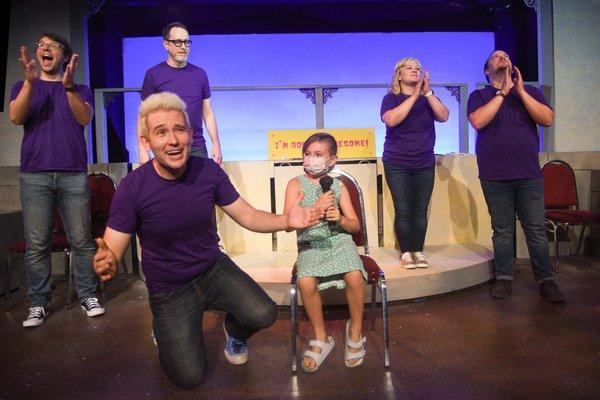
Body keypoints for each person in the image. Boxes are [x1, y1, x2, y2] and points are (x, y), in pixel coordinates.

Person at [93, 92, 322, 389]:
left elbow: (248, 216)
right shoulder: (133, 187)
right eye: (161, 132)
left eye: (179, 129)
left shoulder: (208, 171)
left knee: (263, 313)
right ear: (147, 141)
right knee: (189, 377)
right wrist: (107, 262)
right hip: (169, 287)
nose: (173, 140)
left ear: (190, 134)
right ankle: (163, 329)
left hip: (212, 269)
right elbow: (112, 248)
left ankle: (234, 332)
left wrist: (286, 221)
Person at [9, 33, 105, 327]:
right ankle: (38, 303)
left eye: (52, 46)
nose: (45, 49)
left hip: (73, 174)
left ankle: (88, 295)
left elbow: (84, 118)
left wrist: (68, 88)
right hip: (34, 174)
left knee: (81, 241)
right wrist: (28, 82)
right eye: (41, 45)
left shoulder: (81, 88)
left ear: (64, 56)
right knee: (38, 244)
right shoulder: (23, 85)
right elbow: (15, 116)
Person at [467, 50, 564, 303]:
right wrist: (503, 93)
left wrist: (519, 91)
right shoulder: (479, 95)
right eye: (496, 56)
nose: (503, 57)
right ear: (487, 70)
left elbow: (548, 119)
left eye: (506, 55)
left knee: (536, 230)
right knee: (502, 230)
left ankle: (546, 281)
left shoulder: (530, 92)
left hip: (528, 174)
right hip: (494, 175)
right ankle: (504, 278)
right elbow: (478, 121)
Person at [283, 132, 367, 372]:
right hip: (310, 244)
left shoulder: (338, 186)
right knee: (306, 282)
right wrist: (316, 210)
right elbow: (288, 223)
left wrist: (339, 218)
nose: (311, 159)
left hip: (339, 241)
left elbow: (354, 225)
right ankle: (321, 337)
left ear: (332, 160)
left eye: (318, 155)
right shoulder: (295, 184)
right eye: (307, 154)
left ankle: (355, 331)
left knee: (354, 275)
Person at [380, 57, 449, 269]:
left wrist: (427, 93)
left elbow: (444, 116)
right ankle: (406, 251)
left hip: (424, 161)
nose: (414, 71)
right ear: (399, 74)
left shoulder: (428, 98)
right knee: (403, 209)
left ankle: (417, 250)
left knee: (420, 210)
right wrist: (415, 95)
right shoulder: (391, 98)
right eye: (409, 68)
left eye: (417, 68)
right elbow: (391, 119)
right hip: (397, 161)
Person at [138, 21, 222, 165]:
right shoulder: (154, 74)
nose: (183, 47)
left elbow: (207, 113)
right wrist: (143, 151)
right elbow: (142, 116)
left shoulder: (200, 74)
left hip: (196, 147)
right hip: (167, 146)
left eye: (186, 42)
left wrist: (216, 144)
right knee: (167, 187)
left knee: (201, 187)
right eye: (178, 42)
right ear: (166, 44)